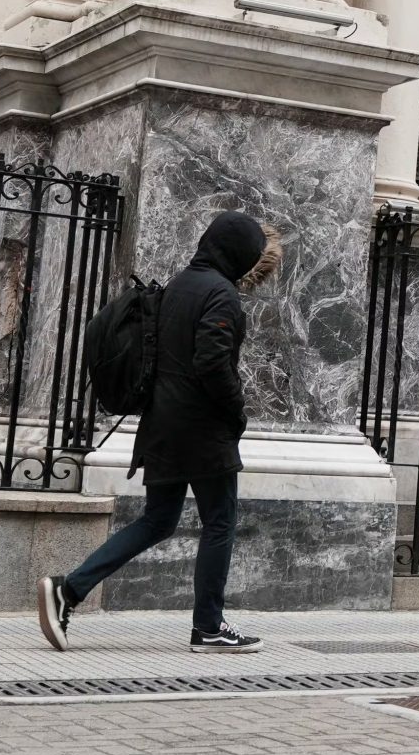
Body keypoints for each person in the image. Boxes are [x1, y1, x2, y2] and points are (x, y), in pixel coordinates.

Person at [40, 210, 278, 652]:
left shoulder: (179, 284)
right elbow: (211, 361)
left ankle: (68, 589)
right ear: (241, 254)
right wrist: (236, 411)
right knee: (220, 522)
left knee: (158, 520)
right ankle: (208, 626)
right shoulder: (222, 294)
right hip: (202, 429)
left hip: (162, 424)